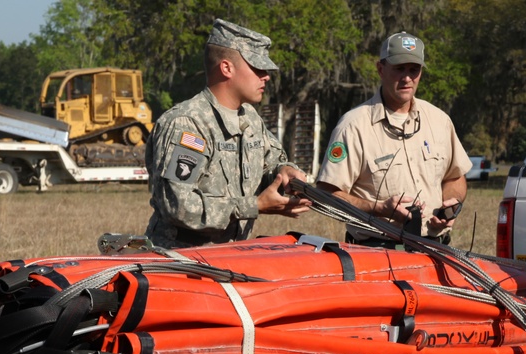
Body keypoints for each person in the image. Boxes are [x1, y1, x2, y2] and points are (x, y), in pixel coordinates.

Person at [145, 19, 310, 248]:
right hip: (180, 263)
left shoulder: (249, 118)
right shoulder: (188, 123)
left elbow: (271, 163)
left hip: (230, 257)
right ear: (226, 68)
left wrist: (285, 172)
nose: (266, 76)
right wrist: (254, 206)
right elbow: (178, 205)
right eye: (257, 67)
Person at [315, 31, 472, 247]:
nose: (407, 78)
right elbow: (326, 194)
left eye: (414, 69)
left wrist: (452, 203)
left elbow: (455, 178)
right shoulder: (353, 125)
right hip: (375, 253)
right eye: (399, 69)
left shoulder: (439, 120)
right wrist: (377, 208)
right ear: (381, 69)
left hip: (436, 251)